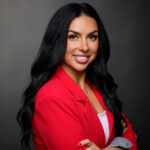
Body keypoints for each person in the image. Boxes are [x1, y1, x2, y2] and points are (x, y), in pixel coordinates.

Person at [17, 3, 137, 150]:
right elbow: (126, 142)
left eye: (92, 37)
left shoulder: (100, 85)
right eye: (73, 37)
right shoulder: (52, 96)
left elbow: (131, 136)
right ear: (57, 41)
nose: (84, 47)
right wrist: (120, 145)